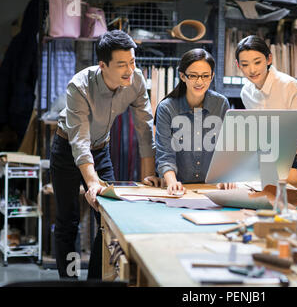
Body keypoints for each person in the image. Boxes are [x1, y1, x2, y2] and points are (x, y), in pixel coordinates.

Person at [50, 30, 160, 279]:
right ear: (103, 65)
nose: (129, 70)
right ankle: (69, 280)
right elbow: (79, 140)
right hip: (67, 150)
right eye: (121, 64)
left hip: (101, 150)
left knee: (108, 217)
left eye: (132, 62)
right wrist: (91, 183)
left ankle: (96, 281)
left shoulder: (137, 80)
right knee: (68, 221)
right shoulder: (79, 86)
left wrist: (148, 178)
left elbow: (145, 130)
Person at [235, 35, 297, 192]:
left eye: (257, 62)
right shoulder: (246, 93)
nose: (252, 70)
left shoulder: (288, 86)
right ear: (238, 65)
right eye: (245, 64)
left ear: (269, 59)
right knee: (282, 211)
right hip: (279, 160)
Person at [155, 49, 234, 195]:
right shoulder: (167, 108)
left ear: (212, 76)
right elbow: (165, 155)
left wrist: (228, 176)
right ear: (183, 76)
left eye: (205, 76)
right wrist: (172, 183)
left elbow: (227, 149)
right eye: (193, 76)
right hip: (181, 189)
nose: (200, 82)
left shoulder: (221, 104)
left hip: (213, 189)